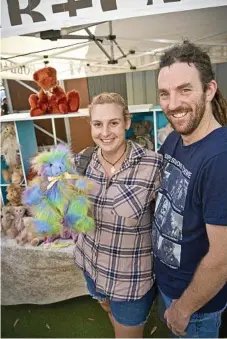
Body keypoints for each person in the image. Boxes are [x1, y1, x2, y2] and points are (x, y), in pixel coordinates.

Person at [152, 41, 227, 338]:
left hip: (196, 304)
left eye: (185, 90)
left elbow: (222, 258)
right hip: (171, 286)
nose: (172, 104)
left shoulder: (219, 159)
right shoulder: (175, 139)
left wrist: (183, 309)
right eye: (164, 94)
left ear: (209, 90)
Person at [73, 92, 162, 338]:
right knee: (107, 308)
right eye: (98, 124)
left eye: (113, 123)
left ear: (127, 122)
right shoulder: (82, 161)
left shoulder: (153, 165)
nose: (105, 133)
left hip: (130, 279)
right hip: (90, 265)